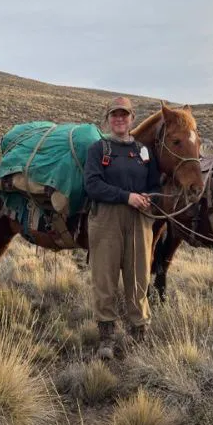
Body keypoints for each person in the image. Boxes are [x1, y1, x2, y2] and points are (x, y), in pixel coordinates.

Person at [83, 96, 161, 360]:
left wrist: (149, 198)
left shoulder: (144, 152)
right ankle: (106, 337)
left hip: (140, 219)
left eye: (124, 115)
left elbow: (155, 185)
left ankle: (139, 332)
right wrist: (126, 196)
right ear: (108, 118)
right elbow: (92, 185)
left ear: (132, 119)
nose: (119, 119)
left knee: (139, 277)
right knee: (104, 278)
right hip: (106, 218)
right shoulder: (98, 149)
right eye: (115, 115)